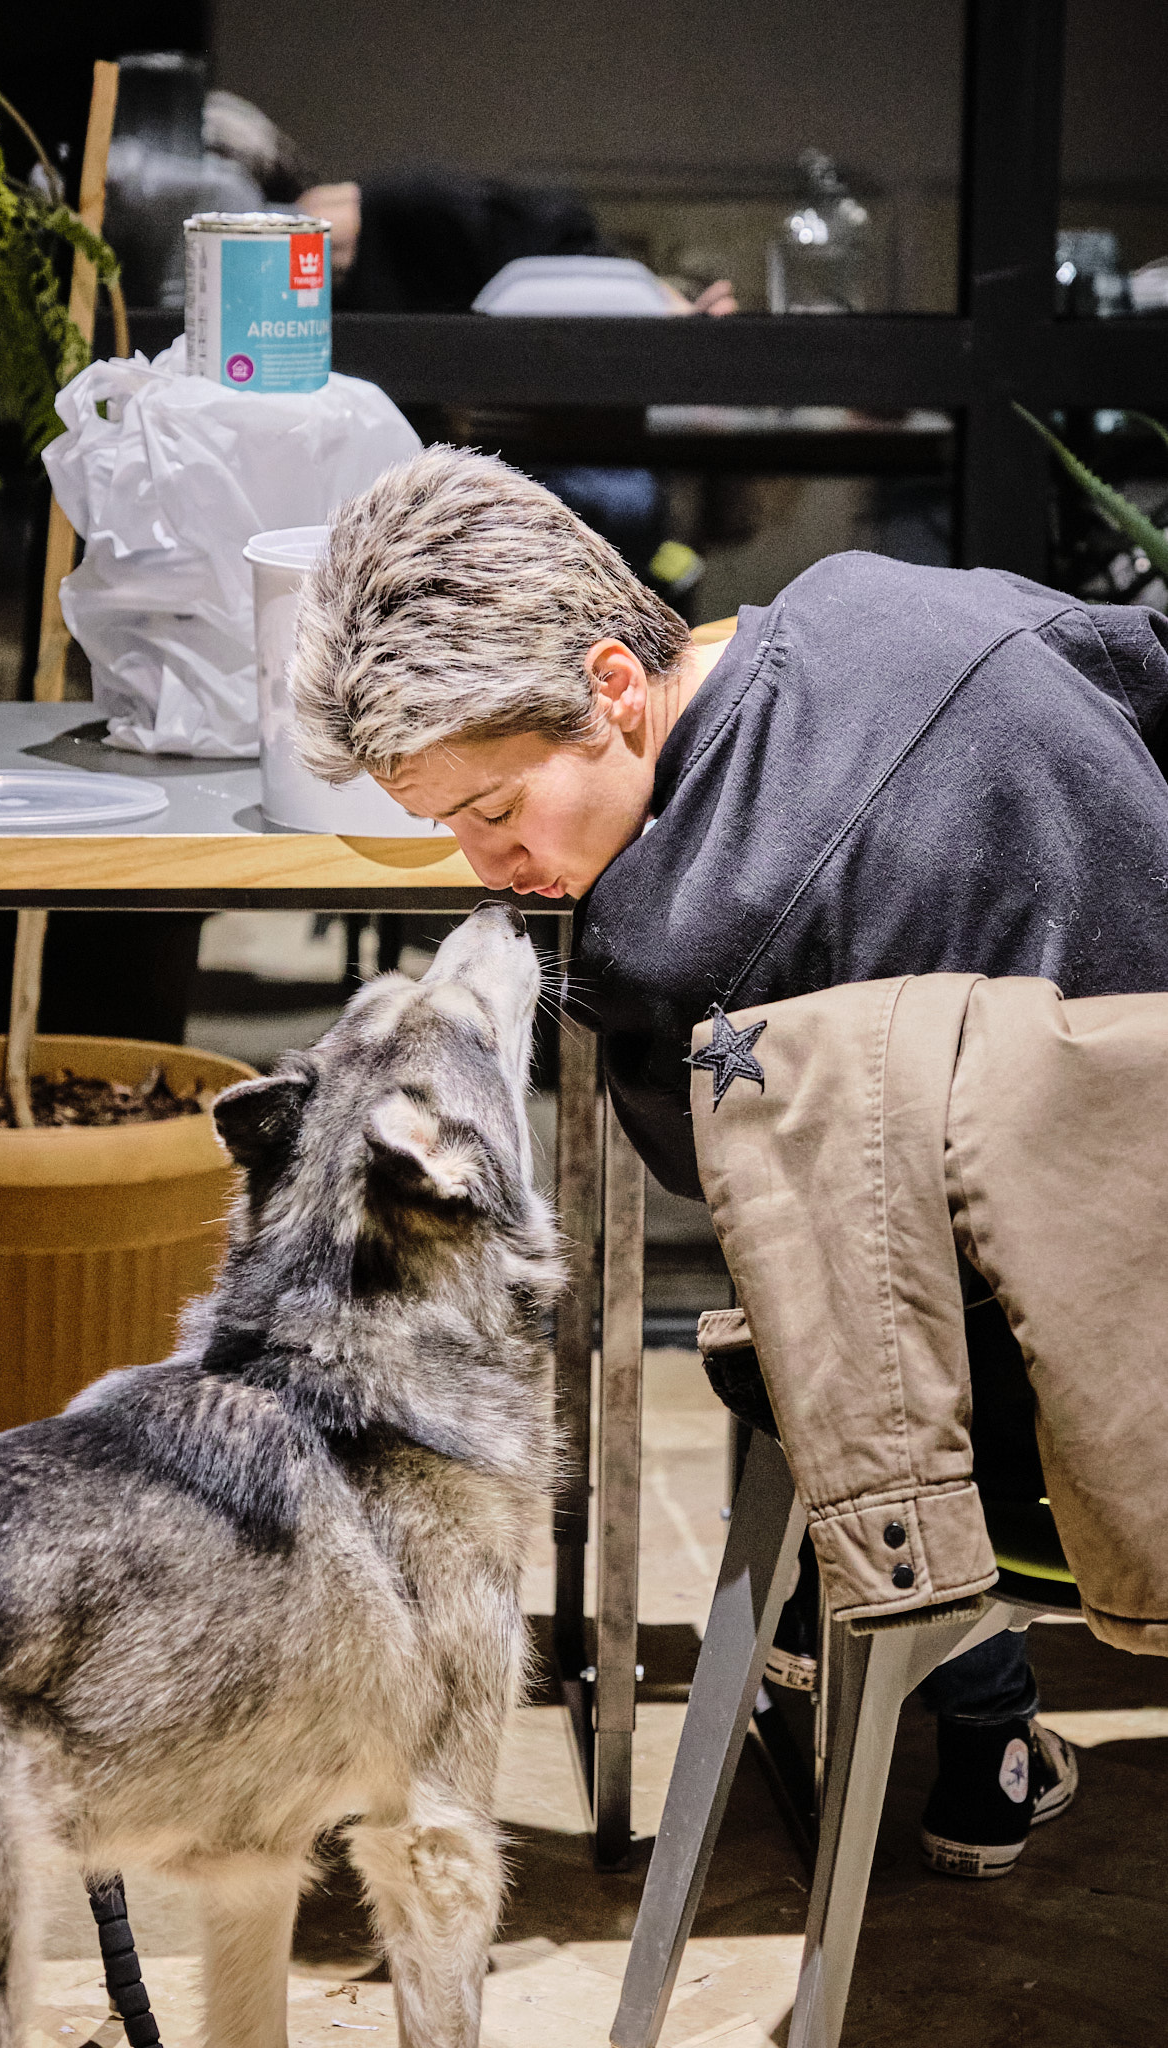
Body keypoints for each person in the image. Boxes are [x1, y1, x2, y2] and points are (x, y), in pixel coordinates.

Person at [288, 445, 1168, 1878]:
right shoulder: (882, 600)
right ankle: (964, 1723)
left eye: (493, 811)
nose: (485, 868)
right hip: (1133, 1212)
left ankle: (947, 1688)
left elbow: (729, 1188)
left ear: (612, 688)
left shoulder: (673, 953)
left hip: (1071, 1416)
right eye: (448, 828)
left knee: (808, 1311)